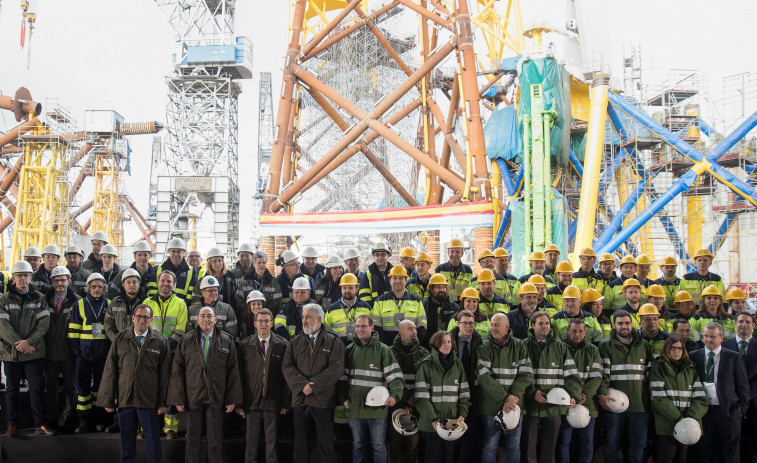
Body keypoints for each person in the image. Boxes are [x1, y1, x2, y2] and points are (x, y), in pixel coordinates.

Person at [168, 306, 243, 463]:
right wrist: (178, 399)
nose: (206, 319)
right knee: (192, 439)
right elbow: (177, 372)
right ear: (197, 319)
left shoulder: (227, 340)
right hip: (193, 396)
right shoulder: (186, 340)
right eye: (202, 316)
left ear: (215, 319)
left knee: (215, 440)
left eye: (209, 316)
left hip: (216, 395)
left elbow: (233, 373)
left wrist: (232, 399)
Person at [98, 304, 171, 463]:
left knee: (153, 440)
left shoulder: (161, 341)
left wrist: (163, 401)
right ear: (132, 318)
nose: (141, 320)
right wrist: (107, 399)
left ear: (151, 320)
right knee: (127, 441)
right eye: (139, 316)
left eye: (146, 317)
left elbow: (165, 376)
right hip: (126, 397)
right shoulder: (120, 339)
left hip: (149, 399)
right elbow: (110, 370)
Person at [282, 304, 345, 463]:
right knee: (300, 445)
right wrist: (302, 385)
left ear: (319, 319)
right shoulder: (295, 340)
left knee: (325, 444)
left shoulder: (333, 341)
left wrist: (313, 386)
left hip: (322, 400)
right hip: (300, 399)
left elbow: (336, 369)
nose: (304, 321)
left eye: (308, 317)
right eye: (303, 317)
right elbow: (287, 366)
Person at [340, 314, 404, 463]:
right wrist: (343, 399)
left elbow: (395, 377)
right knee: (358, 445)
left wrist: (395, 395)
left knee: (379, 446)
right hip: (355, 408)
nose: (360, 329)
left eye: (363, 326)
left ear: (372, 328)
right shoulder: (349, 350)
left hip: (377, 410)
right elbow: (342, 378)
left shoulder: (384, 350)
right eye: (357, 326)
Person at [0, 260, 54, 437]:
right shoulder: (4, 299)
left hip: (34, 351)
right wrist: (21, 344)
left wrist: (30, 342)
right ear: (13, 278)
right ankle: (12, 425)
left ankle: (40, 424)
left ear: (31, 277)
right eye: (19, 276)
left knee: (37, 389)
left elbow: (43, 324)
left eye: (26, 276)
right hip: (12, 353)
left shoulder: (39, 298)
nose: (23, 279)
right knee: (12, 391)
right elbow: (3, 326)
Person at [522, 311, 581, 463]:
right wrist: (532, 392)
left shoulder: (561, 347)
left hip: (554, 406)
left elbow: (571, 375)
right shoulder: (523, 346)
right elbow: (518, 376)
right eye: (540, 323)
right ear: (532, 325)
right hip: (531, 405)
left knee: (550, 448)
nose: (545, 326)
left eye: (547, 323)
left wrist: (574, 395)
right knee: (529, 446)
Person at [597, 309, 653, 463]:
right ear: (613, 326)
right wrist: (602, 395)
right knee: (613, 444)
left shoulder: (644, 345)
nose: (624, 326)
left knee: (639, 445)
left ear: (632, 324)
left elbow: (650, 376)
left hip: (640, 406)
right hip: (614, 405)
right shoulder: (605, 346)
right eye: (620, 323)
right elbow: (603, 375)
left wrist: (652, 400)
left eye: (627, 323)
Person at [478, 313, 533, 463]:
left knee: (514, 446)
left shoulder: (520, 345)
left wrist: (513, 396)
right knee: (490, 446)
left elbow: (527, 374)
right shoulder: (484, 347)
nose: (493, 328)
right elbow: (484, 377)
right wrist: (505, 397)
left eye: (497, 325)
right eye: (491, 325)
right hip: (491, 405)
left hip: (515, 404)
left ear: (507, 327)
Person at [691, 322, 749, 463]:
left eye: (713, 337)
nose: (709, 340)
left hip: (728, 412)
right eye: (706, 336)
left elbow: (743, 387)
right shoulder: (694, 356)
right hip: (704, 412)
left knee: (731, 453)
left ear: (721, 338)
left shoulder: (733, 357)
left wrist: (740, 410)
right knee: (705, 452)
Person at [237, 308, 290, 463]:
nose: (263, 324)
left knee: (272, 445)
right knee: (251, 445)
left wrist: (285, 402)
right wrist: (240, 402)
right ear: (254, 323)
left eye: (267, 321)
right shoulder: (245, 346)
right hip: (251, 400)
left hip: (273, 400)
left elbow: (287, 377)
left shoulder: (283, 345)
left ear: (272, 323)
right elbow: (239, 376)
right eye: (260, 321)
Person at [143, 270, 188, 438]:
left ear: (174, 284)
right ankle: (148, 429)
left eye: (169, 281)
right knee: (150, 390)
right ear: (158, 282)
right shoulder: (147, 302)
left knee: (171, 390)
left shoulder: (181, 304)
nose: (166, 284)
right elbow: (143, 327)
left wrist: (165, 348)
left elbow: (181, 330)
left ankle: (170, 429)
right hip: (150, 354)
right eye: (163, 281)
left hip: (173, 354)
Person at [414, 330, 471, 463]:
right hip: (431, 423)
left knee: (448, 457)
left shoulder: (458, 365)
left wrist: (463, 413)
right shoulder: (426, 364)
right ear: (435, 344)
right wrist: (434, 419)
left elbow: (464, 393)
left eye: (449, 342)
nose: (447, 345)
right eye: (443, 342)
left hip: (452, 421)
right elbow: (421, 396)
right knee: (432, 456)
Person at [650, 335, 708, 463]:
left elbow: (700, 397)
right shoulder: (658, 367)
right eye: (673, 348)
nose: (677, 351)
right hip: (667, 422)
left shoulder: (691, 369)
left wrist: (690, 418)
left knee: (682, 456)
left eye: (680, 348)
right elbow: (658, 397)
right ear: (666, 350)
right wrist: (678, 418)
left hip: (688, 423)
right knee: (667, 454)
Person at [68, 272, 113, 434]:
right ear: (88, 288)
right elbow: (73, 330)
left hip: (103, 353)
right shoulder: (79, 305)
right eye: (93, 286)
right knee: (83, 389)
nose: (96, 289)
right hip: (84, 354)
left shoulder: (109, 304)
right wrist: (77, 353)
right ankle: (84, 421)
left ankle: (100, 420)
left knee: (101, 388)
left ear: (104, 288)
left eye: (100, 287)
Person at [556, 319, 603, 463]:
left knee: (587, 441)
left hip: (587, 403)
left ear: (585, 333)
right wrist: (571, 395)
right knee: (564, 441)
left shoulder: (593, 350)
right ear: (567, 331)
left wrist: (584, 395)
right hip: (565, 402)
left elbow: (597, 377)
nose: (577, 334)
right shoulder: (560, 349)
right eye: (574, 331)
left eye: (581, 331)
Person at [44, 265, 80, 430]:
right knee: (50, 388)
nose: (60, 284)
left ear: (69, 281)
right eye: (57, 280)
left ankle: (69, 420)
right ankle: (51, 419)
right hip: (50, 353)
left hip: (68, 353)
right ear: (52, 281)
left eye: (63, 280)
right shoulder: (44, 300)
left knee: (71, 388)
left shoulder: (77, 301)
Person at [389, 320, 429, 463]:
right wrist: (405, 399)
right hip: (395, 405)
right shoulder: (389, 353)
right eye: (410, 329)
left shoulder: (424, 354)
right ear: (400, 332)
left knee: (412, 448)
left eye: (415, 329)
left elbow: (426, 382)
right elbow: (388, 381)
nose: (414, 332)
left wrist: (411, 404)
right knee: (394, 447)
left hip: (415, 407)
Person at [722, 311, 757, 463]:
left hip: (755, 402)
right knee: (732, 443)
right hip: (731, 402)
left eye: (748, 322)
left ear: (753, 326)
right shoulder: (724, 345)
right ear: (735, 324)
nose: (744, 324)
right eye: (741, 321)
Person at [372, 265, 427, 345]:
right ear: (390, 280)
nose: (398, 281)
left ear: (406, 280)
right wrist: (387, 346)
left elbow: (422, 325)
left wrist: (413, 342)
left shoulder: (416, 301)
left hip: (410, 347)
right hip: (387, 348)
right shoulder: (380, 301)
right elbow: (376, 326)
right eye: (394, 278)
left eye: (401, 278)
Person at [323, 273, 372, 345]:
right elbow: (326, 332)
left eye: (350, 288)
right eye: (344, 288)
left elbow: (372, 330)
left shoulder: (366, 308)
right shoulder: (331, 310)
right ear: (341, 289)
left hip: (361, 348)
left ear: (357, 289)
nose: (347, 291)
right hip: (338, 349)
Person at [147, 237, 198, 305]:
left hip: (182, 308)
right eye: (173, 251)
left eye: (179, 251)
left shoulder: (192, 272)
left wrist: (184, 306)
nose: (176, 254)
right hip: (159, 309)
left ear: (184, 252)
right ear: (169, 252)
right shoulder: (157, 269)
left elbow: (192, 293)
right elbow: (152, 291)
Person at [235, 250, 283, 316]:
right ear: (254, 264)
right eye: (259, 263)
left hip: (267, 319)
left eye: (264, 262)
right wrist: (249, 312)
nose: (262, 265)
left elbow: (277, 302)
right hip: (248, 319)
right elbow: (239, 300)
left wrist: (264, 314)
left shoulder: (274, 281)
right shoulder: (245, 280)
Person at [194, 247, 239, 317]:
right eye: (214, 261)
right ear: (210, 263)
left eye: (219, 261)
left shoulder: (231, 278)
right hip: (208, 314)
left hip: (227, 313)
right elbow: (196, 297)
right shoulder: (204, 280)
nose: (217, 263)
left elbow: (237, 296)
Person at [104, 268, 145, 342]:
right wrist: (117, 340)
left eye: (134, 282)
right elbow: (108, 324)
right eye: (128, 282)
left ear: (139, 283)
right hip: (119, 345)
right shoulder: (115, 302)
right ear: (123, 284)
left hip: (140, 344)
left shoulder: (146, 302)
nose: (131, 285)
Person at [422, 273, 458, 345]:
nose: (442, 290)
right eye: (438, 287)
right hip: (429, 346)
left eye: (443, 287)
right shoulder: (423, 307)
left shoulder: (455, 307)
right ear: (431, 289)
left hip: (449, 346)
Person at [434, 238, 474, 303]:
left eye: (457, 252)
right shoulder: (439, 270)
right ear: (448, 253)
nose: (454, 254)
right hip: (444, 306)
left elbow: (472, 290)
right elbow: (433, 290)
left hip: (462, 307)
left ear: (462, 253)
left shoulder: (468, 270)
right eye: (452, 251)